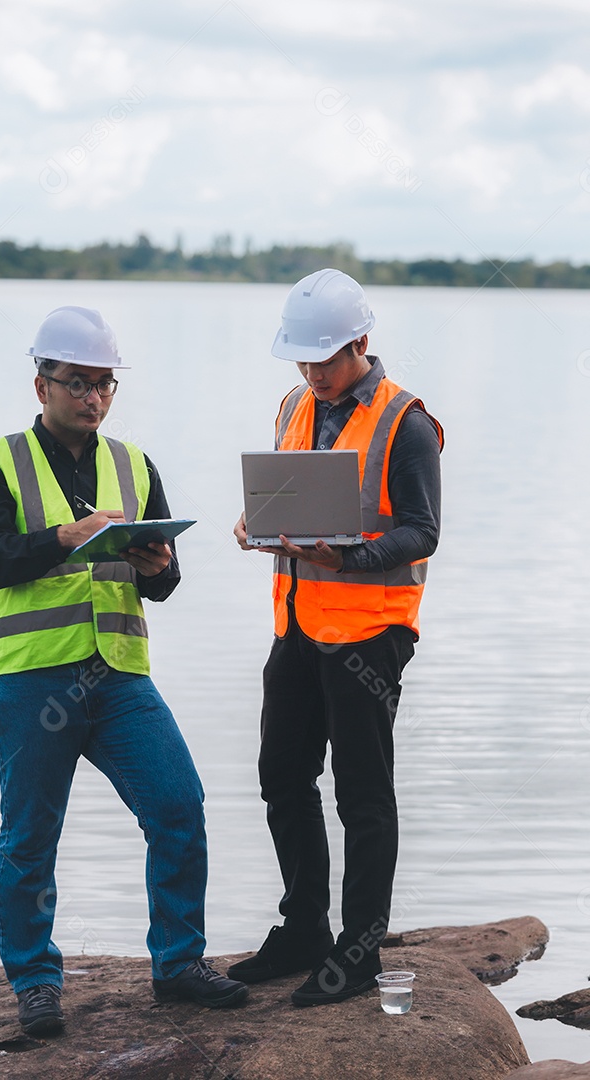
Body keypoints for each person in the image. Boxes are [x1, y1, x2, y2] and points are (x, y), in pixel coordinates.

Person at [0, 305, 247, 1035]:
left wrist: (158, 565)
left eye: (105, 385)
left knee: (178, 806)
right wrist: (61, 537)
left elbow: (164, 582)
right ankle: (34, 983)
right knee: (30, 836)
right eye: (78, 383)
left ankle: (178, 965)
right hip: (32, 679)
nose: (93, 397)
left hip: (118, 676)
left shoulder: (134, 464)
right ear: (41, 385)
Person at [230, 269, 443, 1006]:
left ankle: (359, 954)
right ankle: (304, 930)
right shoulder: (294, 402)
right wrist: (256, 526)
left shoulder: (405, 421)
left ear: (361, 341)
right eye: (303, 359)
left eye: (326, 359)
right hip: (295, 624)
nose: (313, 374)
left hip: (369, 637)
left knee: (362, 794)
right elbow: (292, 501)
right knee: (282, 778)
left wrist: (349, 557)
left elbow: (423, 532)